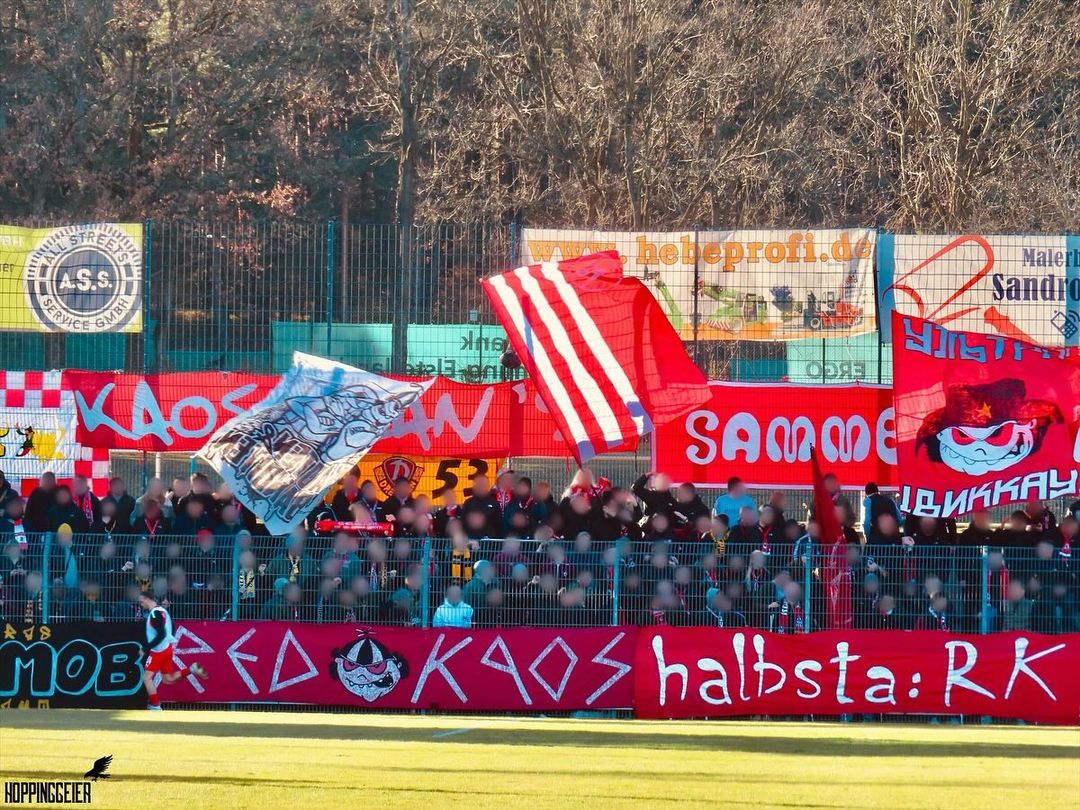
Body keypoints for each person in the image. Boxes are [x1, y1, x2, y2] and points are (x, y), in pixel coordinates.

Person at [140, 593, 208, 710]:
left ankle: (155, 706)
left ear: (147, 599)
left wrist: (146, 648)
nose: (141, 604)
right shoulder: (163, 611)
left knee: (146, 678)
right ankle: (191, 669)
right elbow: (171, 629)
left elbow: (161, 634)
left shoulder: (155, 614)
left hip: (159, 651)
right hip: (167, 648)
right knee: (168, 679)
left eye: (141, 601)